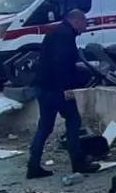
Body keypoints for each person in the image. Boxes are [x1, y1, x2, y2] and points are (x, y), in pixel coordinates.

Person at [27, 9, 100, 179]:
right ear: (75, 21)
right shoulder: (65, 37)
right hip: (56, 89)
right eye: (84, 21)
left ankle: (33, 165)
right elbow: (62, 65)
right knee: (74, 121)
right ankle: (78, 162)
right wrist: (67, 88)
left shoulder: (58, 33)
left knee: (44, 127)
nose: (86, 25)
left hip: (45, 87)